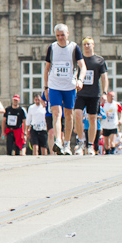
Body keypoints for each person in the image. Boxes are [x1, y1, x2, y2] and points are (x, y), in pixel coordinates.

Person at [43, 23, 86, 155]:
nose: (60, 38)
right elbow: (47, 68)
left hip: (70, 86)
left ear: (67, 34)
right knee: (56, 113)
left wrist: (80, 80)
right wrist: (46, 87)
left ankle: (67, 143)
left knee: (69, 114)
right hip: (54, 85)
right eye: (58, 36)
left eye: (62, 35)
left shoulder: (74, 48)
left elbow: (82, 66)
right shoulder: (52, 48)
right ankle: (58, 141)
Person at [74, 37, 108, 156]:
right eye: (84, 44)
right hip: (80, 93)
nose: (86, 46)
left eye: (88, 44)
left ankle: (90, 145)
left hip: (94, 94)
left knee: (92, 118)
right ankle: (80, 142)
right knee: (77, 115)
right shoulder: (79, 59)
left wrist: (105, 92)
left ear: (93, 45)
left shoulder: (99, 60)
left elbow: (104, 78)